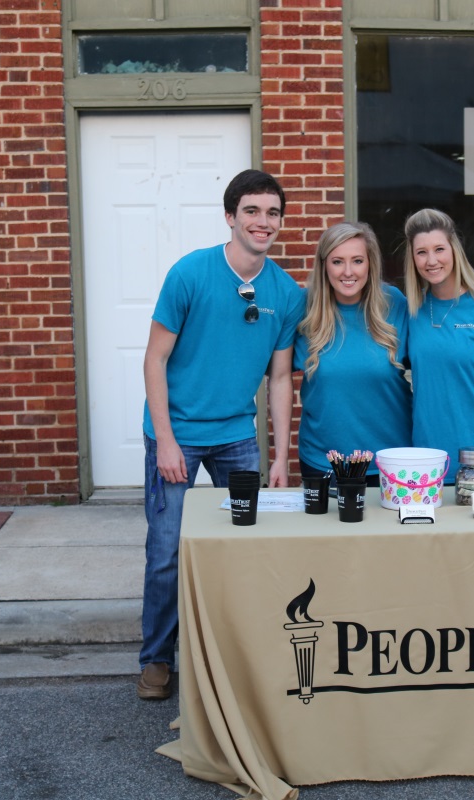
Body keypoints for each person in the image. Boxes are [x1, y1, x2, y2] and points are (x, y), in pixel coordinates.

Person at [137, 169, 303, 699]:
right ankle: (157, 658)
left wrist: (280, 456)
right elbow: (155, 359)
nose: (263, 222)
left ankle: (239, 655)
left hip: (236, 435)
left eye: (272, 213)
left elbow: (280, 378)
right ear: (230, 216)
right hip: (178, 432)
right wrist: (165, 441)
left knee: (246, 545)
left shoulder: (285, 292)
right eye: (251, 211)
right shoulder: (190, 274)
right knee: (167, 551)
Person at [403, 208, 474, 484]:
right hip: (427, 459)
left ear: (454, 250)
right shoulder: (410, 311)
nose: (432, 261)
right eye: (421, 252)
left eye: (439, 249)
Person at [295, 222, 412, 486]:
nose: (348, 272)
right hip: (324, 462)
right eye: (337, 261)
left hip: (391, 461)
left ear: (370, 264)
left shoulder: (394, 303)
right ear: (324, 265)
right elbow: (273, 373)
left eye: (357, 261)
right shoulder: (304, 308)